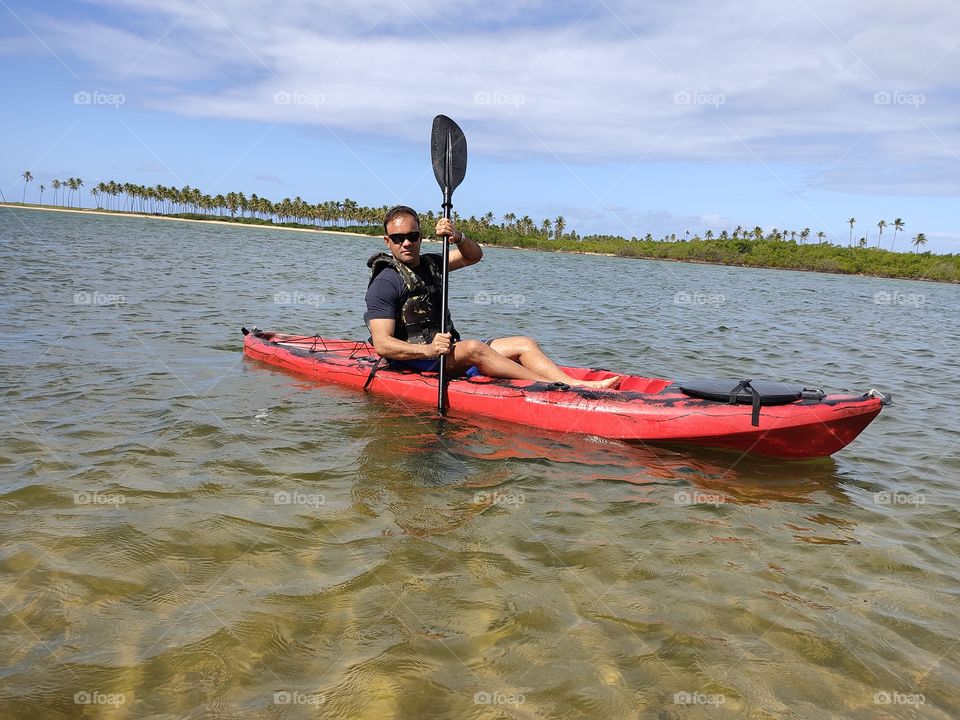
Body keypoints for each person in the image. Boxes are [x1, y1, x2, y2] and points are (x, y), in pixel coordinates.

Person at [363, 205, 620, 389]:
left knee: (524, 343)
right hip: (417, 360)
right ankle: (558, 386)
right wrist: (429, 349)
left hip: (446, 351)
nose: (406, 243)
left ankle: (571, 382)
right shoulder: (386, 281)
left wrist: (458, 237)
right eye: (398, 238)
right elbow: (383, 345)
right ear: (388, 242)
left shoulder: (433, 263)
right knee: (475, 348)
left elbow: (473, 256)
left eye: (412, 235)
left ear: (420, 236)